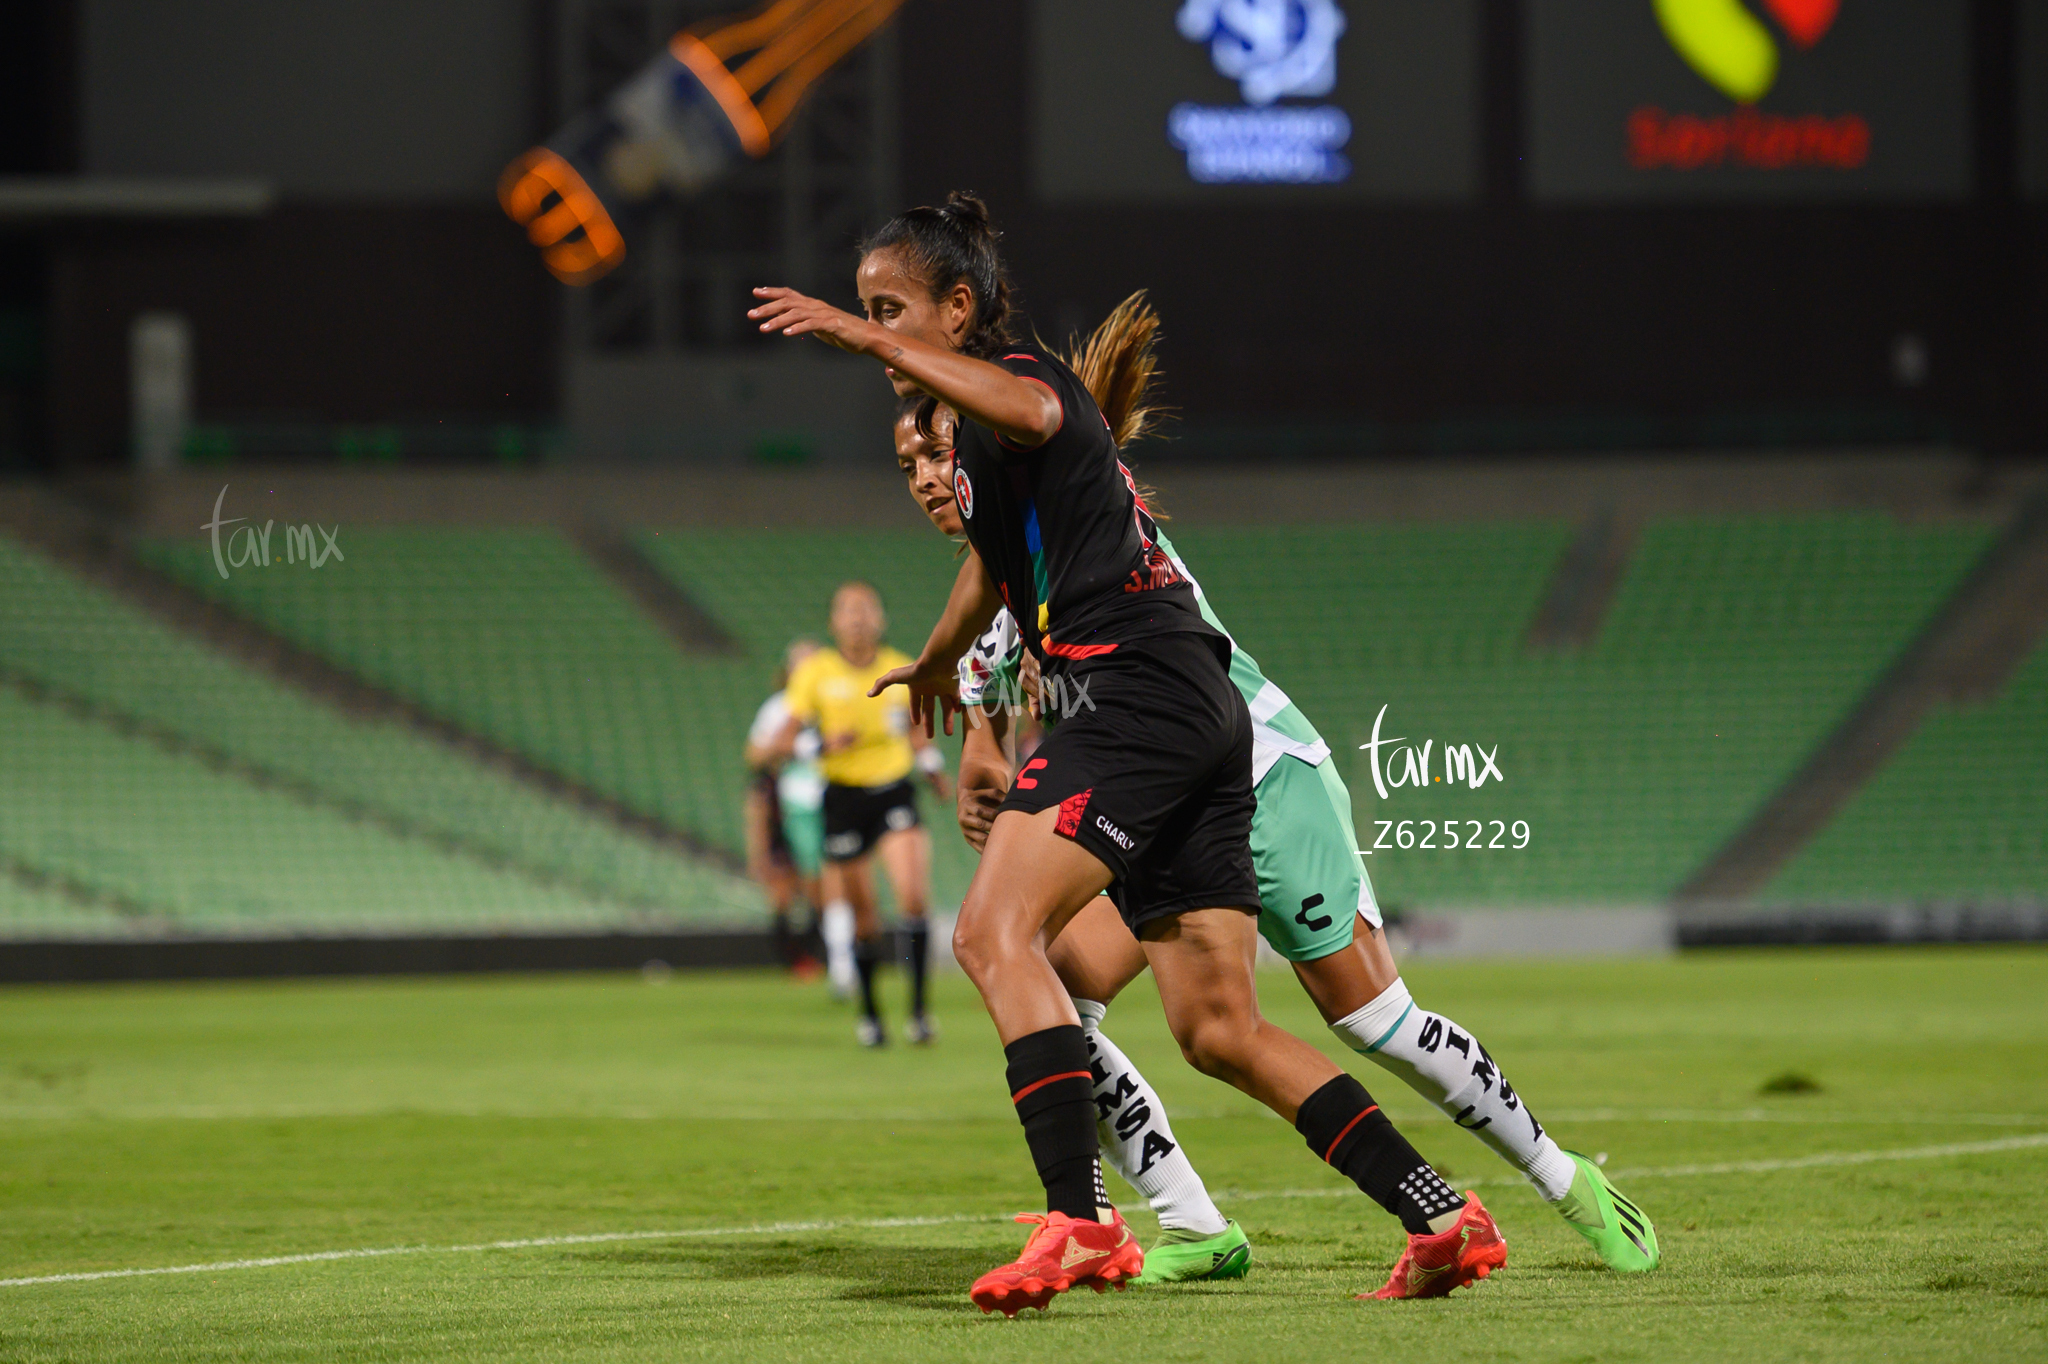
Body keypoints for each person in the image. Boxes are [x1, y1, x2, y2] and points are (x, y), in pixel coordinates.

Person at [750, 192, 1502, 1314]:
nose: (878, 331)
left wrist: (861, 337)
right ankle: (1442, 1211)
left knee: (990, 930)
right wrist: (934, 662)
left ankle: (1083, 1222)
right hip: (1189, 707)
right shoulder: (985, 461)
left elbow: (1031, 415)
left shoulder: (1028, 386)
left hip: (1133, 694)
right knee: (1218, 1029)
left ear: (960, 309)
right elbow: (994, 572)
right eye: (867, 312)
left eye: (894, 309)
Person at [893, 292, 1661, 1285]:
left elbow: (1024, 631)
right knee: (1075, 991)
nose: (924, 474)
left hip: (1256, 765)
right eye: (907, 463)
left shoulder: (1078, 511)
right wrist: (980, 755)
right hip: (1155, 788)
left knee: (1370, 1016)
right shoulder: (1015, 565)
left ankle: (1566, 1181)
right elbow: (991, 673)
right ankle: (1185, 1217)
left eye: (936, 448)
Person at [767, 582, 950, 1046]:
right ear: (833, 622)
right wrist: (820, 744)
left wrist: (932, 769)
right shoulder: (815, 672)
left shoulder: (900, 665)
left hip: (893, 792)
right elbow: (782, 743)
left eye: (867, 608)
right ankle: (870, 1013)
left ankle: (919, 1010)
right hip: (843, 798)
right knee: (864, 915)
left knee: (912, 897)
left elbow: (916, 733)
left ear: (881, 619)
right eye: (848, 610)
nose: (858, 617)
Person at [743, 639, 830, 980]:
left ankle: (817, 957)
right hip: (787, 806)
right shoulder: (778, 709)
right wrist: (791, 747)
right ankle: (796, 959)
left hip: (827, 803)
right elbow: (754, 756)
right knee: (782, 890)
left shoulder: (835, 703)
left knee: (820, 887)